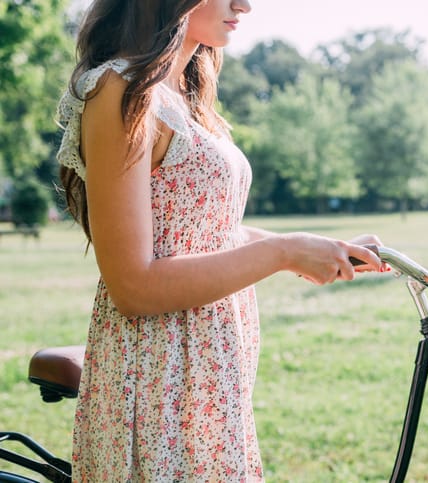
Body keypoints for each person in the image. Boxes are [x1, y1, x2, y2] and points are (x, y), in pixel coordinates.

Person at [55, 0, 383, 480]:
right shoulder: (119, 89)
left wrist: (317, 246)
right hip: (158, 382)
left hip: (208, 379)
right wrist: (283, 252)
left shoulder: (184, 96)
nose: (244, 5)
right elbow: (133, 286)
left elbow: (210, 231)